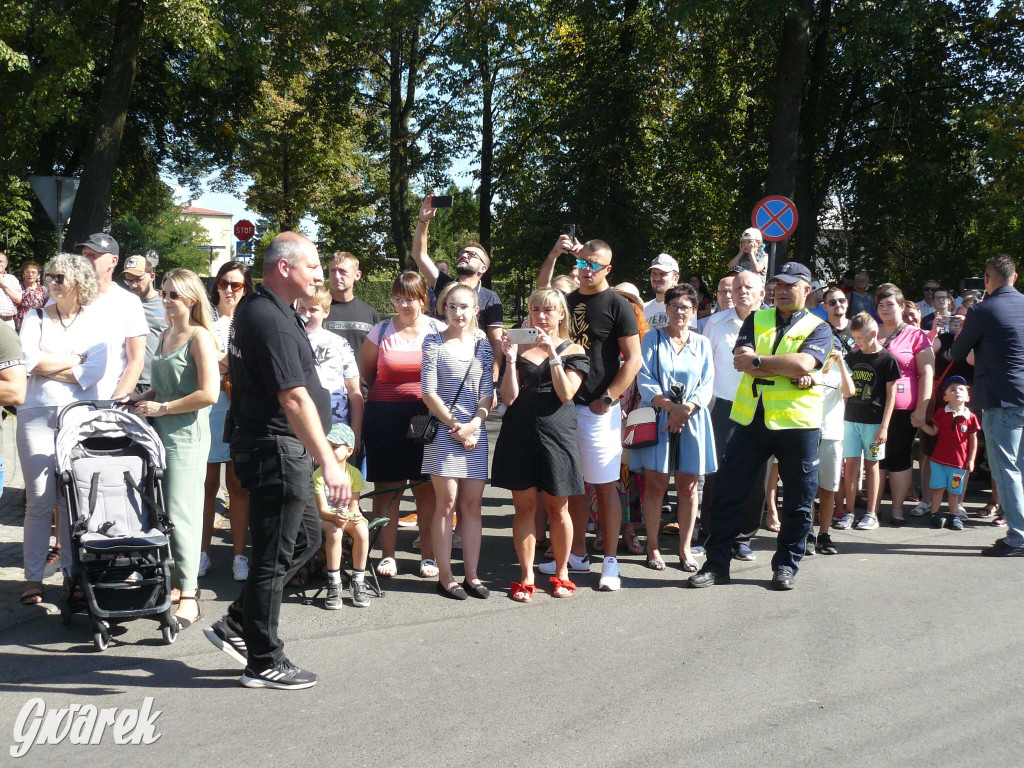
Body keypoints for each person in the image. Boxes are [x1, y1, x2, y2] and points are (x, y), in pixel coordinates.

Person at [204, 231, 351, 690]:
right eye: (311, 265)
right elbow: (293, 397)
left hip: (278, 449)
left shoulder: (261, 308)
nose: (319, 274)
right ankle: (263, 659)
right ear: (284, 268)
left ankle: (236, 623)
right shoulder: (268, 318)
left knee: (306, 538)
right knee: (271, 556)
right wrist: (328, 460)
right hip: (276, 450)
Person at [689, 262, 833, 591]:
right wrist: (779, 366)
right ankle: (716, 565)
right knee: (727, 493)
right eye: (778, 285)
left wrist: (762, 362)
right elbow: (742, 361)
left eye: (790, 285)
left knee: (797, 500)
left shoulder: (819, 327)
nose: (781, 290)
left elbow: (803, 363)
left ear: (806, 290)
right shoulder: (757, 318)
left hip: (798, 424)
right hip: (752, 419)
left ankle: (785, 565)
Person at [536, 238, 641, 591]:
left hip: (599, 410)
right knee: (573, 483)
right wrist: (555, 253)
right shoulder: (568, 301)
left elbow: (634, 359)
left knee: (605, 485)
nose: (586, 269)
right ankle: (577, 553)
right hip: (564, 406)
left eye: (594, 264)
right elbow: (541, 294)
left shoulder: (617, 305)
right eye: (582, 263)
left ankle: (610, 561)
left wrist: (609, 398)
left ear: (607, 269)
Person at [130, 269, 218, 629]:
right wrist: (141, 398)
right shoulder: (166, 333)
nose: (165, 300)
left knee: (183, 515)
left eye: (173, 296)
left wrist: (163, 408)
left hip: (186, 436)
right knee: (161, 511)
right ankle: (170, 582)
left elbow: (208, 394)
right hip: (159, 431)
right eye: (164, 293)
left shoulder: (199, 337)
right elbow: (164, 385)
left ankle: (190, 594)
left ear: (192, 300)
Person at [17, 254, 104, 606]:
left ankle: (74, 574)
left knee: (74, 500)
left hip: (79, 417)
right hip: (35, 414)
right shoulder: (35, 317)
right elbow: (28, 360)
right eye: (51, 275)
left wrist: (48, 364)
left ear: (79, 282)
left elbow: (95, 371)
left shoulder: (94, 322)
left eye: (61, 277)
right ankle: (33, 578)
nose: (53, 281)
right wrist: (75, 361)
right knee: (39, 500)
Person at [493, 288, 588, 601]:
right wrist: (509, 360)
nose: (542, 316)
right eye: (536, 310)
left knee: (558, 508)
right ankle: (527, 574)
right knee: (524, 508)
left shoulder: (574, 349)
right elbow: (509, 397)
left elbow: (566, 394)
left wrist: (553, 355)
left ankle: (562, 572)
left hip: (556, 434)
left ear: (561, 314)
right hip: (519, 432)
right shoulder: (518, 348)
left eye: (548, 311)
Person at [361, 271, 442, 579]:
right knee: (387, 488)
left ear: (423, 298)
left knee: (426, 488)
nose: (403, 305)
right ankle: (388, 556)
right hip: (384, 416)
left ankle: (428, 556)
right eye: (397, 299)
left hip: (427, 416)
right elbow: (368, 374)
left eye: (409, 299)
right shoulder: (379, 331)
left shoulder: (438, 329)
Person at [632, 284, 716, 573]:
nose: (680, 311)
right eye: (674, 306)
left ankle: (684, 548)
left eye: (686, 307)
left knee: (689, 488)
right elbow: (644, 379)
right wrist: (671, 408)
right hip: (659, 417)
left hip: (693, 420)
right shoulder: (652, 339)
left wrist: (686, 410)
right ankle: (653, 547)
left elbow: (706, 385)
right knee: (655, 484)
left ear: (694, 312)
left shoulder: (702, 343)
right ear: (665, 309)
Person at [420, 283, 494, 600]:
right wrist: (456, 426)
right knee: (446, 504)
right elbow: (428, 393)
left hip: (475, 434)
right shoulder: (432, 342)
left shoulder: (484, 347)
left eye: (464, 306)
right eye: (452, 306)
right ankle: (446, 576)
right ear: (444, 308)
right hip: (444, 433)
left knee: (472, 506)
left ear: (475, 310)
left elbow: (488, 394)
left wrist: (475, 424)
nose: (458, 312)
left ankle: (473, 576)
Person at [951, 254, 1024, 556]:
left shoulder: (982, 310)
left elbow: (957, 351)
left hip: (1000, 398)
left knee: (1006, 469)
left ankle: (1018, 538)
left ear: (987, 279)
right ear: (1015, 278)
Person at [700, 269, 770, 560]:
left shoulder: (773, 323)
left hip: (762, 406)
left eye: (748, 287)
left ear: (761, 293)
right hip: (724, 406)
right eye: (737, 286)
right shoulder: (715, 324)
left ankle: (744, 537)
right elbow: (706, 368)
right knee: (717, 471)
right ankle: (711, 532)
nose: (741, 291)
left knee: (757, 476)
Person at [200, 261, 253, 581]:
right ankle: (202, 552)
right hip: (207, 408)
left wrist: (224, 365)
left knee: (237, 486)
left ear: (246, 288)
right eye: (223, 283)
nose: (229, 290)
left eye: (236, 285)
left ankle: (239, 556)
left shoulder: (251, 321)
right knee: (205, 486)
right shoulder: (203, 320)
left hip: (241, 408)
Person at [414, 196, 503, 383]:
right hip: (442, 370)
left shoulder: (490, 297)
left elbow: (496, 342)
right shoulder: (445, 286)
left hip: (475, 373)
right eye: (463, 253)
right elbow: (419, 255)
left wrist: (493, 379)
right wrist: (423, 221)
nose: (464, 255)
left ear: (483, 268)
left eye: (472, 255)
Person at [874, 284, 934, 525]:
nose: (885, 309)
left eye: (890, 304)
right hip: (872, 407)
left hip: (903, 408)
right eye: (880, 305)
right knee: (875, 458)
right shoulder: (871, 332)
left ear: (901, 306)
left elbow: (927, 373)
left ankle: (897, 511)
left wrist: (922, 408)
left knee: (898, 458)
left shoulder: (916, 335)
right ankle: (873, 510)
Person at [835, 313, 900, 531]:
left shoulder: (888, 360)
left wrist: (885, 426)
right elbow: (845, 391)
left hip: (874, 422)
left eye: (860, 339)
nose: (857, 343)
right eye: (854, 338)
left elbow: (891, 396)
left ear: (873, 334)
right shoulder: (852, 357)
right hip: (850, 420)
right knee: (851, 466)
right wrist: (840, 417)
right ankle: (850, 511)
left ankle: (871, 513)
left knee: (872, 466)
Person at [76, 233, 148, 399]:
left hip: (105, 399)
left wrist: (117, 402)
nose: (86, 260)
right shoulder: (67, 295)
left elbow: (136, 360)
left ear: (114, 261)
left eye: (94, 255)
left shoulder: (129, 302)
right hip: (64, 400)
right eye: (84, 255)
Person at [315, 423, 370, 609]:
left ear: (349, 450)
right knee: (335, 531)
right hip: (324, 519)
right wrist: (335, 516)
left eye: (334, 447)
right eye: (326, 446)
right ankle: (334, 582)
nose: (329, 451)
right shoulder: (319, 475)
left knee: (362, 529)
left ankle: (358, 580)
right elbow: (321, 510)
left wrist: (353, 514)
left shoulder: (353, 474)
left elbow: (354, 504)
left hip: (344, 515)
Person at [298, 285, 363, 436]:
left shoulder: (339, 343)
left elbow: (354, 391)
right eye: (301, 308)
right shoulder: (287, 340)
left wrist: (355, 433)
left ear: (326, 311)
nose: (306, 314)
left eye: (313, 310)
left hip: (336, 426)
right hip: (300, 426)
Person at [918, 376, 980, 531]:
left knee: (954, 491)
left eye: (961, 389)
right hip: (938, 461)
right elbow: (933, 431)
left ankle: (954, 516)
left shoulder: (971, 417)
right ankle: (934, 514)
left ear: (968, 396)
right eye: (952, 389)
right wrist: (921, 425)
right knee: (938, 489)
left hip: (959, 464)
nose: (957, 391)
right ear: (945, 397)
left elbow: (973, 440)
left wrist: (971, 460)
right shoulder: (940, 413)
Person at [810, 348, 855, 554]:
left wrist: (841, 363)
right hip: (807, 432)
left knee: (828, 490)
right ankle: (808, 533)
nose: (827, 357)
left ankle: (824, 534)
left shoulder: (839, 372)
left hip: (832, 435)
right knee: (807, 490)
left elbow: (850, 391)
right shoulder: (808, 369)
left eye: (831, 352)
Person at [323, 251, 380, 389]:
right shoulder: (318, 311)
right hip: (326, 395)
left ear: (357, 275)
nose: (336, 276)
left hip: (363, 394)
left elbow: (379, 357)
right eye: (332, 270)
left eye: (342, 271)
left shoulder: (369, 313)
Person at [121, 254, 167, 394]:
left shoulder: (166, 303)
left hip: (157, 381)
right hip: (128, 380)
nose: (133, 285)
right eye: (129, 281)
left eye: (138, 280)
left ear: (152, 277)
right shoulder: (123, 304)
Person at [642, 252, 680, 331]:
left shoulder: (684, 308)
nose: (657, 278)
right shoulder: (643, 309)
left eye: (662, 274)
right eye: (654, 273)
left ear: (675, 279)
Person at [15, 261, 47, 332]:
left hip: (38, 320)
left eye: (34, 272)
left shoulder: (43, 290)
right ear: (23, 274)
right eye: (27, 272)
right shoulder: (16, 287)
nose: (30, 275)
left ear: (38, 275)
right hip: (20, 321)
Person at [0, 250, 24, 329]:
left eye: (1, 261)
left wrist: (3, 284)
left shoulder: (12, 279)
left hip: (8, 321)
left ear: (6, 264)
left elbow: (18, 299)